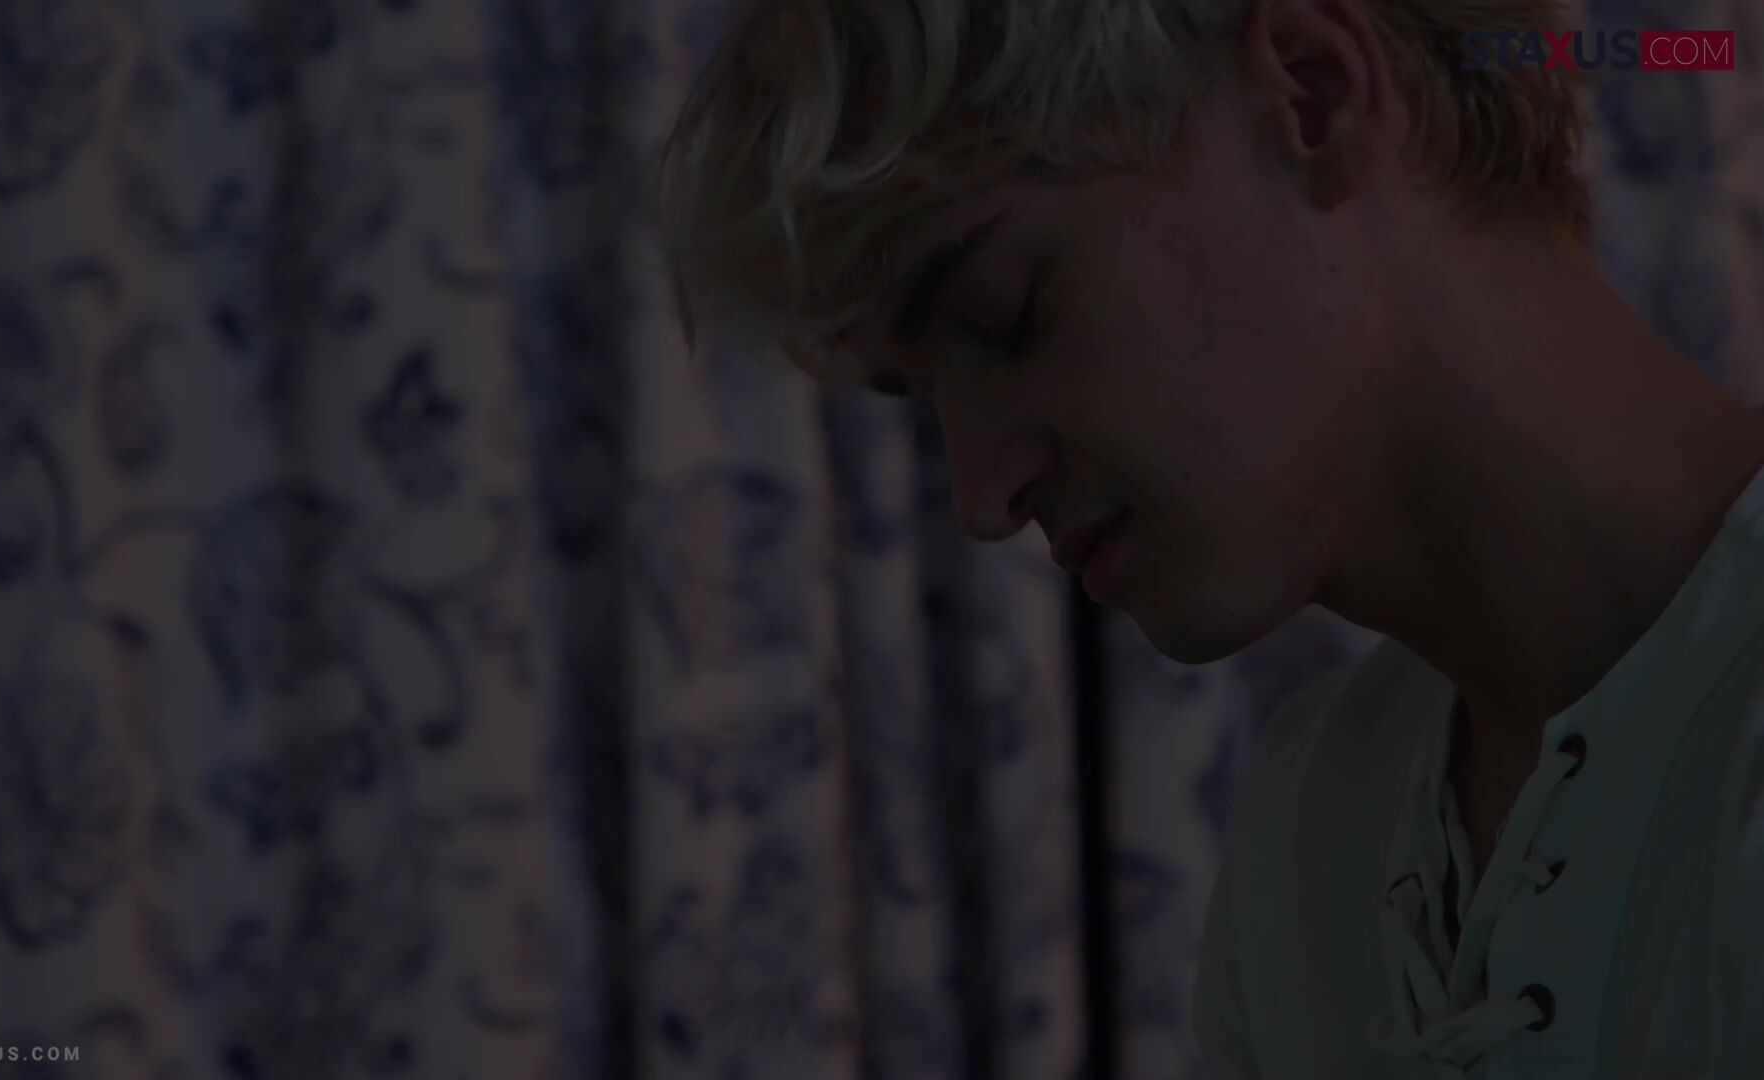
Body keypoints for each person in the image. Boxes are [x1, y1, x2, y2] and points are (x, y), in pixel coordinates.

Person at [651, 0, 1764, 1075]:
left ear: (1311, 95)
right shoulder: (1311, 844)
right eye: (923, 398)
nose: (983, 498)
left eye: (1003, 312)